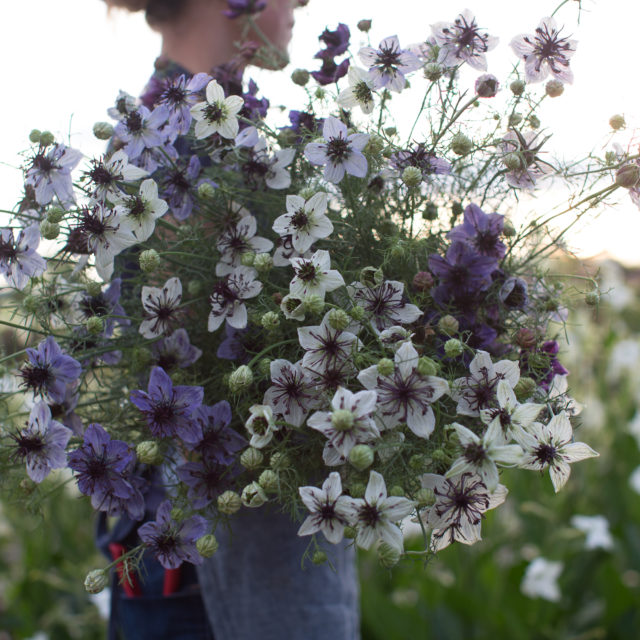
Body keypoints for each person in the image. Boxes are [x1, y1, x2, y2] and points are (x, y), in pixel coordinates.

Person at [100, 1, 360, 638]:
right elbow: (212, 352)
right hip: (213, 573)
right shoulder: (170, 146)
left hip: (225, 554)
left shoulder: (197, 131)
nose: (301, 3)